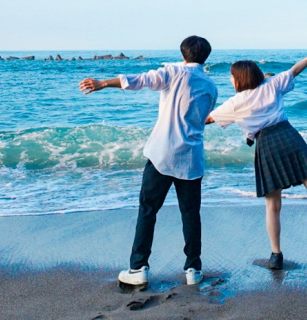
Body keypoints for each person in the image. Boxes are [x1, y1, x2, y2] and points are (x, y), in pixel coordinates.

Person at [207, 42, 307, 271]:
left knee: (273, 205)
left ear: (239, 79)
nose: (230, 80)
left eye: (231, 76)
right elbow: (295, 69)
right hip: (289, 135)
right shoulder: (271, 84)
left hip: (267, 143)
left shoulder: (235, 103)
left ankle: (276, 255)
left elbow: (207, 119)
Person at [79, 35, 218, 287]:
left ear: (183, 53)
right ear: (205, 57)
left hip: (163, 154)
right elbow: (205, 118)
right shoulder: (211, 86)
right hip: (191, 159)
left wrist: (103, 83)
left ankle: (138, 267)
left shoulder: (173, 72)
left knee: (148, 210)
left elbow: (138, 80)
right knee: (191, 215)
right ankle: (193, 270)